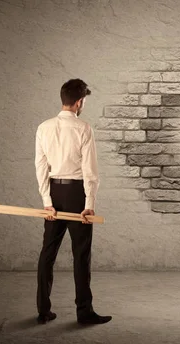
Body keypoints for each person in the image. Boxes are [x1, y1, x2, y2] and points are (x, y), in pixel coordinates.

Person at [34, 78, 111, 325]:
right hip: (77, 194)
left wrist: (47, 201)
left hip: (54, 193)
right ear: (79, 102)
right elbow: (90, 171)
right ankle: (84, 312)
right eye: (84, 101)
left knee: (48, 253)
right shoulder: (83, 128)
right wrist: (90, 203)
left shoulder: (43, 127)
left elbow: (41, 167)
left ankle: (43, 310)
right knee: (81, 255)